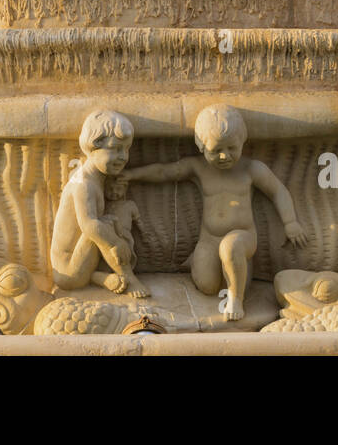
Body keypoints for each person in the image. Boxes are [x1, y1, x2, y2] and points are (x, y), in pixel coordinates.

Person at [124, 103, 306, 320]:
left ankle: (236, 298)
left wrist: (290, 222)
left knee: (231, 248)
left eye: (232, 148)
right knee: (207, 285)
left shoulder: (250, 169)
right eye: (216, 150)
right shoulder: (199, 167)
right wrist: (132, 175)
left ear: (242, 142)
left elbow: (278, 191)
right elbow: (165, 171)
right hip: (209, 238)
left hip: (243, 236)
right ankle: (204, 262)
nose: (224, 156)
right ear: (201, 146)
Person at [50, 110, 149, 298]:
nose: (123, 156)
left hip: (81, 266)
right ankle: (128, 276)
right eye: (115, 149)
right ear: (92, 147)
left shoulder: (96, 179)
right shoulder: (83, 183)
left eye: (126, 149)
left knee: (109, 221)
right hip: (69, 272)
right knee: (103, 225)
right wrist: (117, 243)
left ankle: (99, 278)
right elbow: (89, 225)